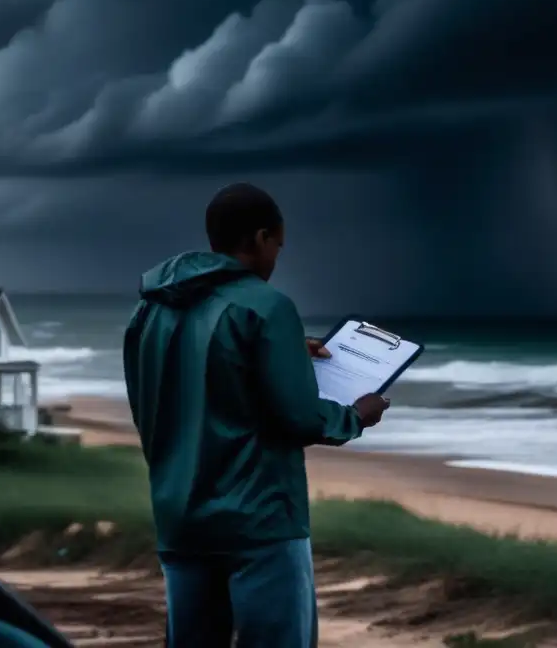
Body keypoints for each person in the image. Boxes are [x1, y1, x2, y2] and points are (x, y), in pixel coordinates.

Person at [123, 182, 390, 648]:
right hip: (260, 521)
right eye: (278, 246)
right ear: (262, 237)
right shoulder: (267, 307)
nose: (276, 259)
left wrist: (284, 354)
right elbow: (302, 418)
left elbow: (172, 398)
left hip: (180, 517)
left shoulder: (148, 312)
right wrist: (355, 415)